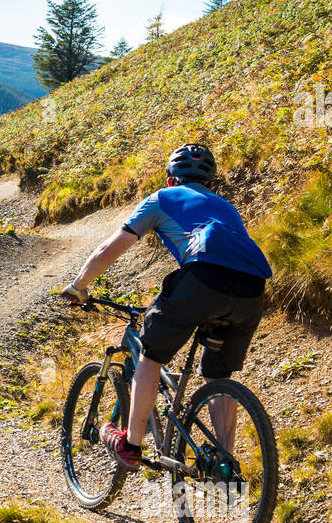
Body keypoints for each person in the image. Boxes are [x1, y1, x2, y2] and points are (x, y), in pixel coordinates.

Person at [61, 143, 271, 469]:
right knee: (217, 373)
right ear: (211, 185)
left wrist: (79, 287)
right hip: (253, 290)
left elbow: (108, 250)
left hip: (203, 280)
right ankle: (223, 459)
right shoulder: (227, 208)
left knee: (150, 354)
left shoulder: (162, 198)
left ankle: (130, 446)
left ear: (171, 180)